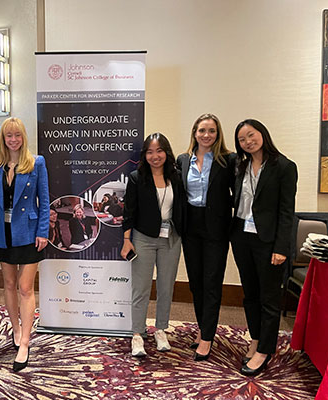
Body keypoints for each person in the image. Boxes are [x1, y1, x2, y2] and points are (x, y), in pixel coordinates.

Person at [231, 119, 297, 376]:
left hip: (268, 241)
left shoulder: (284, 166)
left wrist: (281, 248)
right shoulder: (241, 165)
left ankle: (264, 350)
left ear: (263, 134)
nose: (248, 141)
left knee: (269, 297)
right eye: (242, 139)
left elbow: (286, 211)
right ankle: (256, 338)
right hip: (241, 237)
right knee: (250, 294)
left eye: (251, 135)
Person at [0, 117, 50, 372]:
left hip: (28, 231)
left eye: (17, 135)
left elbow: (44, 200)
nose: (13, 140)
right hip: (2, 232)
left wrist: (43, 231)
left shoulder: (36, 162)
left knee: (26, 288)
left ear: (23, 136)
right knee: (10, 285)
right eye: (8, 136)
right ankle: (15, 328)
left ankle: (25, 341)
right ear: (3, 139)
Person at [176, 114, 236, 361]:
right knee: (195, 283)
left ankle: (208, 337)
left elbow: (239, 192)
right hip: (191, 227)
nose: (206, 135)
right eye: (202, 130)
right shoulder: (182, 160)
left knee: (211, 282)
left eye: (211, 131)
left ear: (218, 133)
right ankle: (203, 329)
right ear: (194, 132)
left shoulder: (227, 160)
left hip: (216, 229)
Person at [120, 133, 185, 357]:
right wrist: (127, 240)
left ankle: (160, 329)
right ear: (144, 155)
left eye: (159, 151)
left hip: (171, 238)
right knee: (141, 288)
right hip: (143, 238)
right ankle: (137, 334)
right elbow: (128, 212)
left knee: (166, 287)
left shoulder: (177, 176)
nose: (155, 156)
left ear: (166, 152)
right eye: (149, 151)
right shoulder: (137, 178)